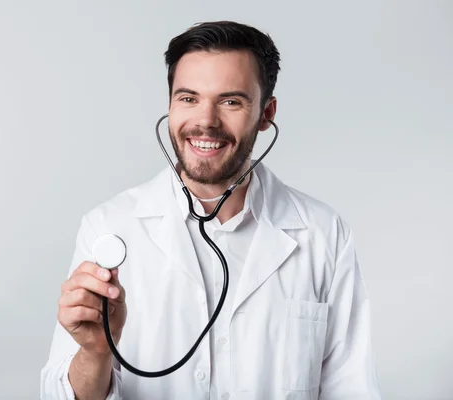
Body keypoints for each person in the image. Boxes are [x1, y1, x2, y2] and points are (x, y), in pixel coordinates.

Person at [40, 20, 382, 400]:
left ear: (266, 113)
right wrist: (96, 351)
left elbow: (353, 389)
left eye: (230, 101)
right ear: (170, 104)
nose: (205, 121)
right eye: (188, 98)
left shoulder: (323, 235)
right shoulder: (108, 227)